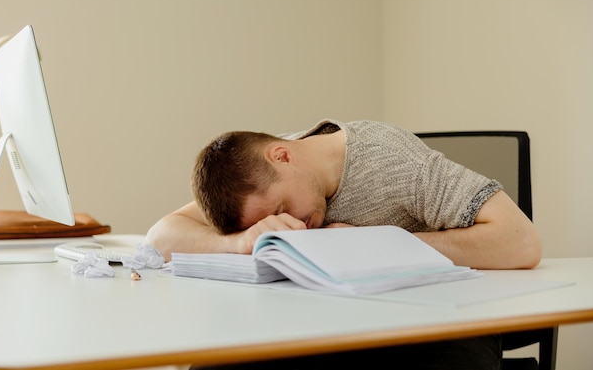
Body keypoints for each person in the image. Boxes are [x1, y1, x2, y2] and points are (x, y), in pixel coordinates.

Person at [146, 119, 542, 370]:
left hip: (432, 326)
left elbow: (521, 241)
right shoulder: (254, 178)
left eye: (283, 207)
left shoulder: (393, 161)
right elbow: (160, 236)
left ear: (282, 155)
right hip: (326, 329)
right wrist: (240, 242)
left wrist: (371, 245)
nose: (292, 222)